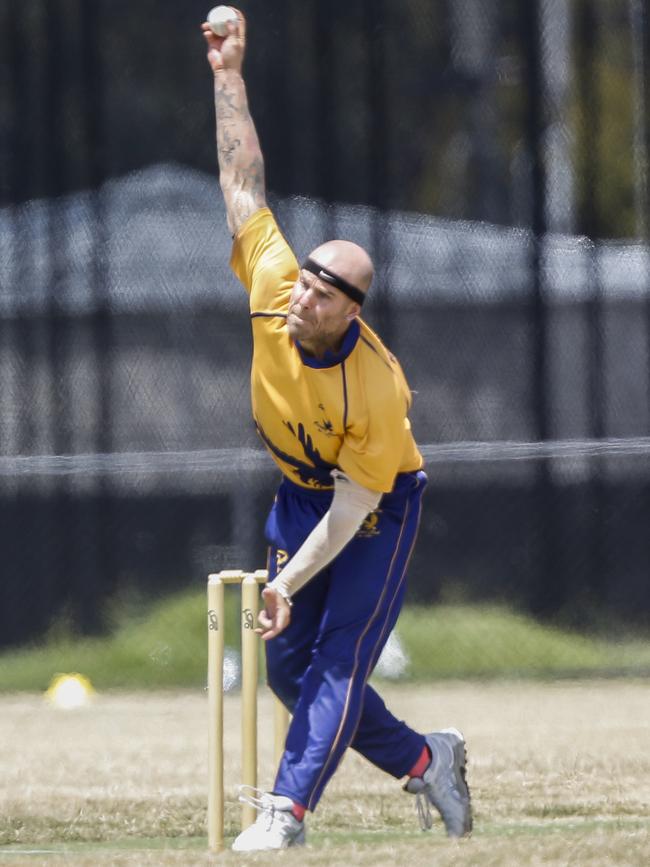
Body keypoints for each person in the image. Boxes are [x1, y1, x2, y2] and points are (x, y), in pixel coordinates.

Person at [201, 10, 472, 852]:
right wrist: (228, 75)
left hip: (374, 508)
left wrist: (287, 582)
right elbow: (243, 179)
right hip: (298, 491)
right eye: (304, 276)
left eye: (322, 291)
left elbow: (354, 513)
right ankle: (428, 757)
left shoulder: (375, 389)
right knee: (286, 667)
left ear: (350, 311)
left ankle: (286, 813)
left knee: (338, 659)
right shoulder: (273, 279)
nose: (300, 295)